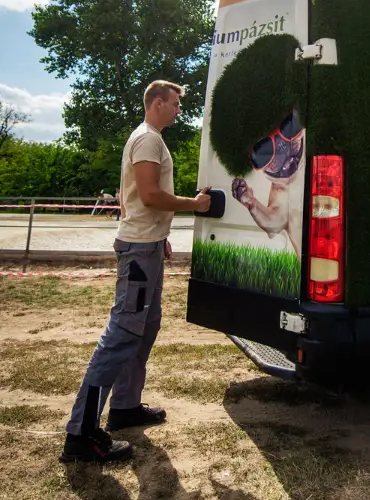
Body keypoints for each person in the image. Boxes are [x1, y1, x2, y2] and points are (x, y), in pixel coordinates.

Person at [60, 80, 212, 464]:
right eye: (175, 103)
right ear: (157, 102)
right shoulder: (148, 139)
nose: (179, 109)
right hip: (138, 251)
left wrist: (158, 234)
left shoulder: (150, 138)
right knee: (122, 335)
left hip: (147, 245)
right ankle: (81, 434)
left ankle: (125, 408)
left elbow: (134, 200)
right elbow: (148, 194)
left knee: (144, 327)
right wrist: (195, 204)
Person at [230, 107, 304, 256]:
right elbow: (274, 224)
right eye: (264, 153)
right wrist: (251, 203)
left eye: (290, 127)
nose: (283, 148)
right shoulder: (281, 190)